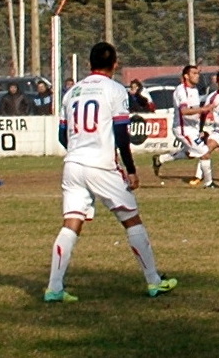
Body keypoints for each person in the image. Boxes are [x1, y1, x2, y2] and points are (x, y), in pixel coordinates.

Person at [45, 42, 177, 303]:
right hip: (101, 165)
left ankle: (54, 288)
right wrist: (130, 168)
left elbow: (63, 134)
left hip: (73, 165)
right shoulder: (115, 90)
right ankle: (154, 281)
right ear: (115, 64)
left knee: (71, 223)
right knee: (131, 219)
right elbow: (120, 133)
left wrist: (78, 149)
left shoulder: (72, 92)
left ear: (88, 63)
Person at [152, 65, 217, 187]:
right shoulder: (181, 91)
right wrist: (204, 109)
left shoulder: (195, 90)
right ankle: (209, 183)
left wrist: (200, 127)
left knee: (190, 154)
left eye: (198, 73)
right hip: (183, 129)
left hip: (193, 128)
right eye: (194, 73)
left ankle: (160, 159)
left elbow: (195, 110)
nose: (197, 76)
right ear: (186, 76)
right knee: (204, 152)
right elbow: (184, 111)